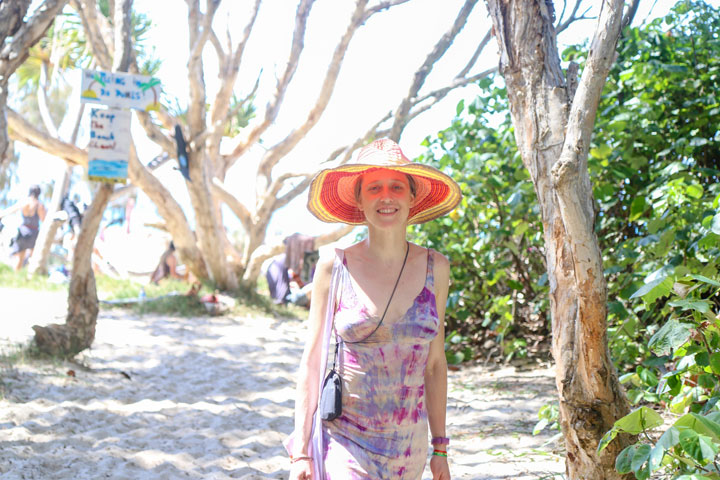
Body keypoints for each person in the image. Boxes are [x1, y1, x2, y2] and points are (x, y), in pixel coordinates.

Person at [288, 139, 462, 479]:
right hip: (344, 441)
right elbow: (311, 362)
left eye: (397, 187)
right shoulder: (333, 265)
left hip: (408, 448)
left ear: (412, 198)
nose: (386, 196)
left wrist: (440, 448)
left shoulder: (435, 268)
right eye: (374, 187)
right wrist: (301, 453)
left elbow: (435, 364)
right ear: (359, 199)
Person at [0, 185, 46, 271]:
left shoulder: (24, 202)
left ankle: (15, 278)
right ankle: (28, 278)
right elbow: (44, 220)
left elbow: (11, 210)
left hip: (23, 232)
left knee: (19, 259)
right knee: (33, 258)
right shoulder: (39, 205)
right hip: (34, 233)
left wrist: (1, 214)